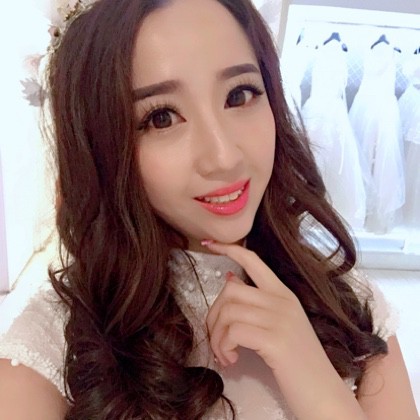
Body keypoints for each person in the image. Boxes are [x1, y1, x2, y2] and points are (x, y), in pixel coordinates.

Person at [0, 0, 418, 418]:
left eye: (239, 95)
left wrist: (318, 384)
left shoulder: (348, 304)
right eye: (162, 118)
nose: (223, 157)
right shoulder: (53, 349)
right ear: (100, 147)